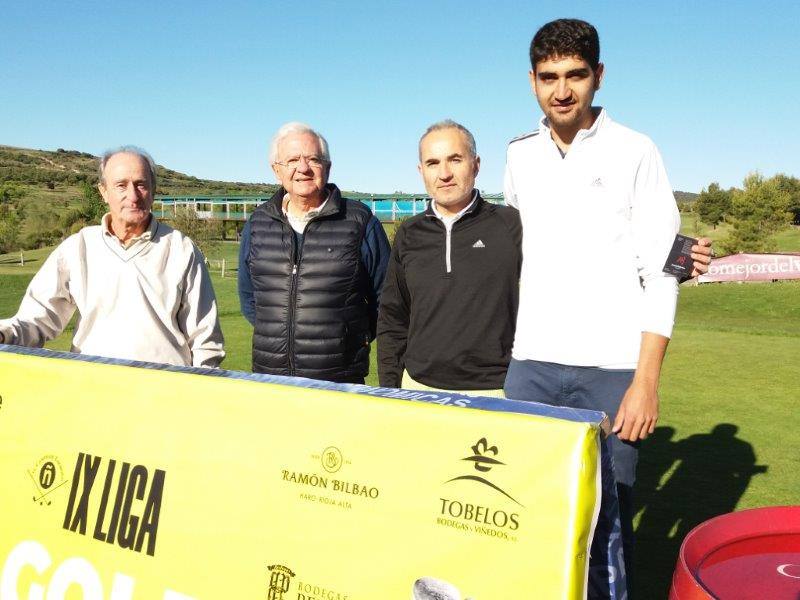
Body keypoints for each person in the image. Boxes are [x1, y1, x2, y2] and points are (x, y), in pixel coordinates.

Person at [502, 18, 700, 584]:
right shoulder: (519, 156)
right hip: (532, 367)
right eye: (548, 77)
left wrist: (646, 381)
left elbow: (664, 271)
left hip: (613, 371)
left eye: (575, 75)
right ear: (533, 81)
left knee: (608, 527)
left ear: (599, 76)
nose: (561, 90)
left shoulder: (636, 151)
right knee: (529, 518)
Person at [0, 146, 224, 367]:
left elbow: (205, 339)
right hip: (93, 388)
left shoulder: (181, 249)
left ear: (153, 189)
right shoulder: (79, 247)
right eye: (121, 185)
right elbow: (37, 318)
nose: (133, 196)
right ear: (104, 191)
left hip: (163, 392)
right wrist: (4, 334)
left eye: (141, 184)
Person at [238, 122, 390, 383]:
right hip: (271, 381)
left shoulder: (360, 221)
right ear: (277, 171)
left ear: (327, 168)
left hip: (339, 382)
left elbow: (387, 299)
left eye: (313, 159)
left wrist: (354, 338)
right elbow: (250, 299)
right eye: (293, 160)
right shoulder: (258, 223)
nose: (303, 168)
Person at [377, 120, 521, 395]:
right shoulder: (409, 233)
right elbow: (393, 317)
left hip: (496, 391)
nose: (444, 173)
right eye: (433, 163)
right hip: (419, 389)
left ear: (476, 164)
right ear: (421, 171)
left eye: (455, 160)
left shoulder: (512, 225)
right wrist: (390, 390)